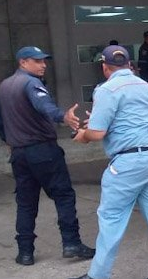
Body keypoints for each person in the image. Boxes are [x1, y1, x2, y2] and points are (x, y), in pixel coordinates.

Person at [69, 45, 148, 279]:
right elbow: (130, 117)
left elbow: (96, 134)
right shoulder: (144, 86)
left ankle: (98, 275)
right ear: (128, 64)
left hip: (129, 162)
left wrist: (82, 135)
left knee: (111, 216)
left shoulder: (107, 90)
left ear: (105, 67)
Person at [0, 46, 95, 266]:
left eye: (44, 61)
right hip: (43, 151)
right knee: (63, 196)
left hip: (19, 154)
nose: (43, 65)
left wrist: (10, 141)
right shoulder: (31, 83)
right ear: (23, 62)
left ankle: (25, 253)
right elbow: (44, 106)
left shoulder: (4, 86)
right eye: (37, 61)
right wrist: (63, 117)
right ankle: (71, 243)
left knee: (25, 203)